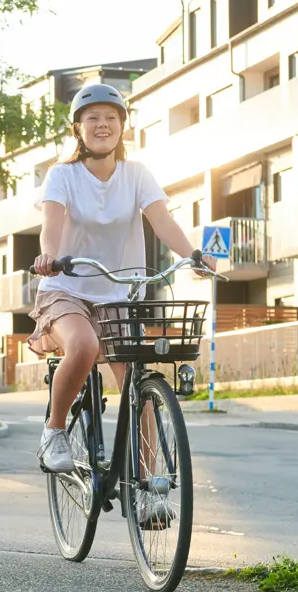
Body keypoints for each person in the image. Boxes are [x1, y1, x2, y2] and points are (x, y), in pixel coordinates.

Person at [29, 84, 214, 477]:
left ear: (122, 127)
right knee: (82, 345)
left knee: (139, 388)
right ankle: (54, 431)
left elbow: (162, 220)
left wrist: (192, 256)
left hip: (119, 297)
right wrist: (49, 255)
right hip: (67, 289)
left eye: (111, 118)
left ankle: (148, 483)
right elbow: (52, 223)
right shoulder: (61, 176)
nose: (102, 125)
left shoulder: (137, 174)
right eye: (92, 118)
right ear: (77, 129)